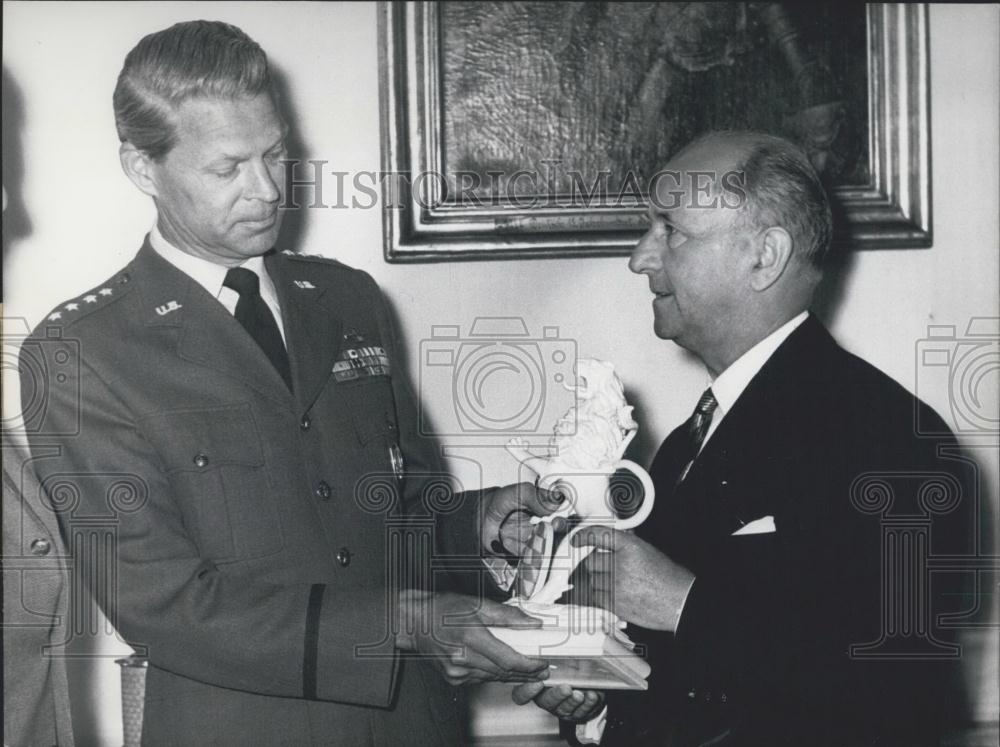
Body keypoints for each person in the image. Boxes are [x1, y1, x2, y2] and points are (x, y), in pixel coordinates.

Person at [18, 20, 560, 746]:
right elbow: (165, 604)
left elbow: (396, 510)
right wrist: (400, 623)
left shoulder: (347, 299)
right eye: (228, 167)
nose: (266, 188)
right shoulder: (83, 351)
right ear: (143, 168)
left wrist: (478, 523)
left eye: (276, 153)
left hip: (414, 724)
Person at [517, 131, 973, 745]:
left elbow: (905, 698)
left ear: (765, 256)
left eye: (671, 231)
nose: (641, 258)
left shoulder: (895, 440)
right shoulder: (688, 442)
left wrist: (682, 604)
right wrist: (599, 701)